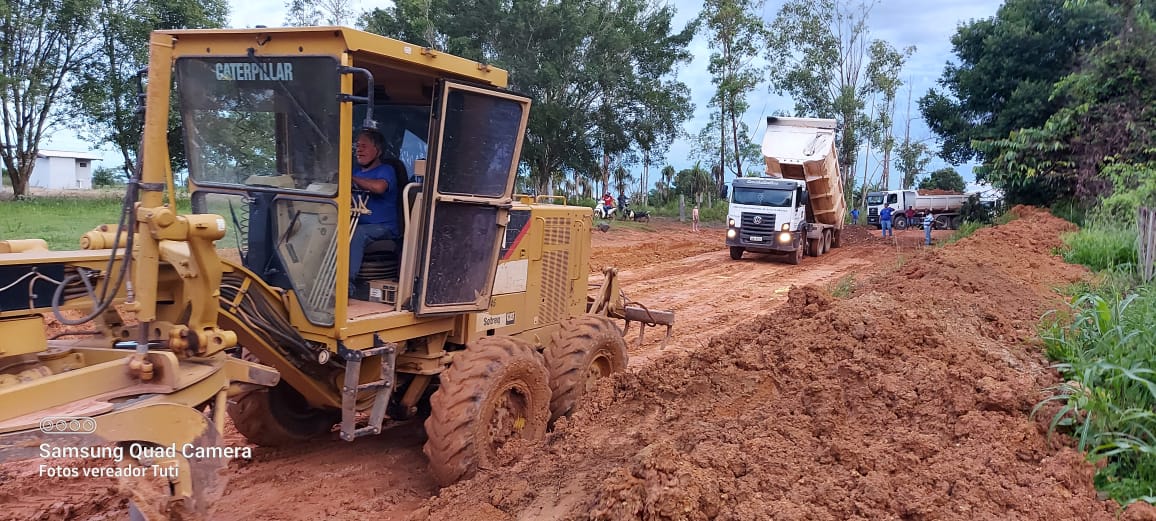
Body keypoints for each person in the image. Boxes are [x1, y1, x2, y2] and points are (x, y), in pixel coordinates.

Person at [349, 128, 401, 297]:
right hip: (355, 222)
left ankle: (346, 284)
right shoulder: (355, 172)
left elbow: (379, 187)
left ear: (378, 151)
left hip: (383, 227)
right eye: (357, 146)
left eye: (364, 146)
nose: (359, 150)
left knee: (357, 233)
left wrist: (351, 179)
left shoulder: (386, 170)